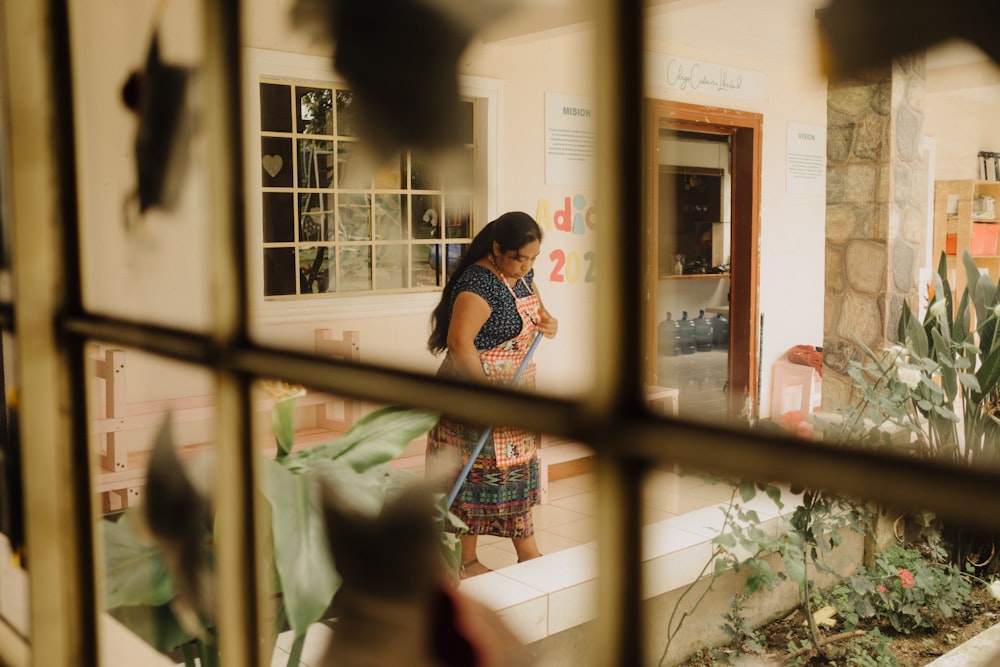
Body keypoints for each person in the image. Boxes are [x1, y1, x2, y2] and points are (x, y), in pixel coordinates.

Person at [426, 211, 558, 579]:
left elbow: (540, 316)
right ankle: (464, 561)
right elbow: (459, 343)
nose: (526, 266)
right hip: (472, 388)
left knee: (514, 471)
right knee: (471, 476)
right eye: (519, 257)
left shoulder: (523, 276)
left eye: (533, 258)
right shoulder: (478, 282)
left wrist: (550, 324)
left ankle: (526, 551)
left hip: (514, 388)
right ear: (498, 248)